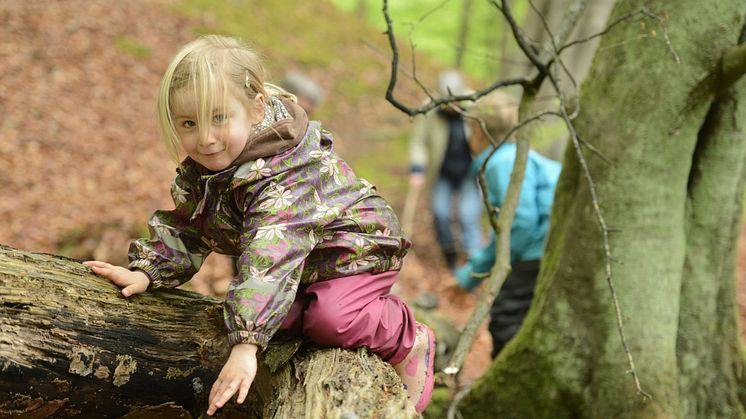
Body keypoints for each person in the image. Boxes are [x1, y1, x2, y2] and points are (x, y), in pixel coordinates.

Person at [83, 35, 434, 415]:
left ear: (255, 108)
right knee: (274, 319)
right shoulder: (206, 171)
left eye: (219, 118)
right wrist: (148, 272)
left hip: (355, 248)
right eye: (188, 123)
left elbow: (270, 257)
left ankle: (409, 336)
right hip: (305, 265)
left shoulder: (286, 173)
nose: (205, 138)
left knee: (331, 320)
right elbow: (187, 226)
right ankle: (302, 306)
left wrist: (246, 345)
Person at [454, 92, 561, 358]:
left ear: (479, 131)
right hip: (545, 250)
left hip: (534, 255)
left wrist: (472, 273)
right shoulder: (518, 156)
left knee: (506, 319)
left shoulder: (501, 162)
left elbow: (520, 224)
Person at [409, 69, 483, 269]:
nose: (453, 105)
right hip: (442, 171)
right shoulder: (429, 109)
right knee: (441, 213)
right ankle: (449, 253)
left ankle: (475, 260)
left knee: (468, 215)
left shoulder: (475, 106)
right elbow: (419, 142)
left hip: (470, 171)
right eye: (448, 101)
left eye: (456, 100)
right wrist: (417, 168)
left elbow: (484, 137)